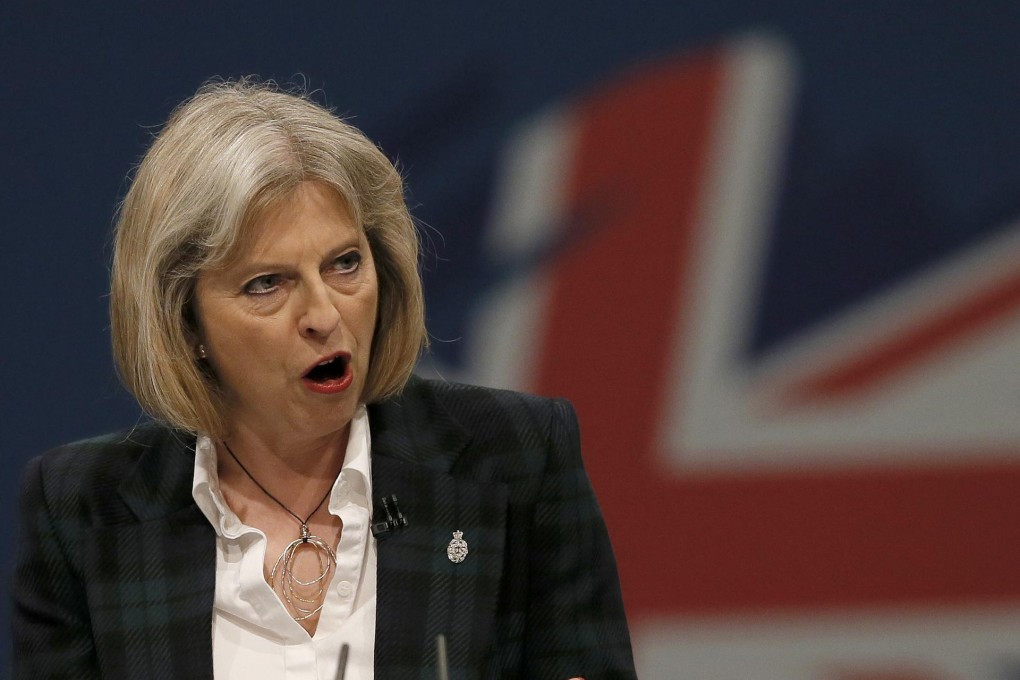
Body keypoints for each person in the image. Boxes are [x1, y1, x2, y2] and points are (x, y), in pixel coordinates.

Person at [12, 79, 636, 680]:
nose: (323, 315)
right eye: (267, 284)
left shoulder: (515, 459)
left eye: (344, 264)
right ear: (186, 319)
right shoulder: (84, 511)